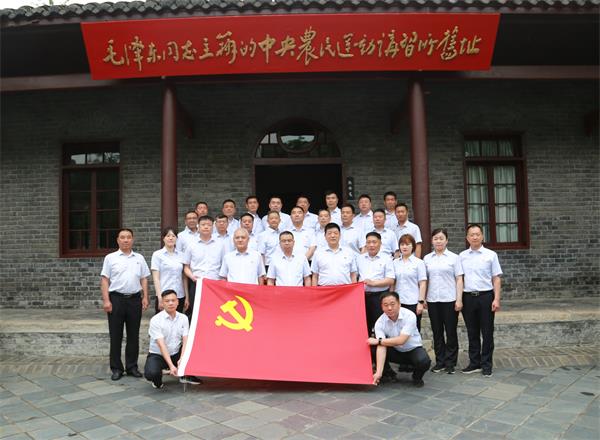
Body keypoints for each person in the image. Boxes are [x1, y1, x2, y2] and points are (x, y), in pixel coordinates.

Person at [100, 228, 150, 381]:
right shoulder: (110, 258)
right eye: (122, 237)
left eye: (129, 237)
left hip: (135, 299)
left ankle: (132, 367)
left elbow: (144, 278)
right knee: (116, 335)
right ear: (118, 240)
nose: (126, 240)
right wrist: (106, 300)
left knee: (133, 335)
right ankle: (116, 368)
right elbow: (105, 280)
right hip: (116, 299)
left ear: (132, 239)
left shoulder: (139, 258)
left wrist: (145, 297)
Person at [459, 224, 502, 377]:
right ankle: (474, 363)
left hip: (486, 297)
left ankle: (487, 364)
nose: (475, 237)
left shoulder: (491, 255)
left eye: (478, 234)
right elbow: (459, 279)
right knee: (472, 332)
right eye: (472, 234)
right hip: (468, 297)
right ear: (467, 238)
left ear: (482, 236)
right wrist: (459, 299)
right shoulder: (462, 256)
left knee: (487, 332)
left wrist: (496, 299)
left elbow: (496, 278)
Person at [367, 291, 431, 387]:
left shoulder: (409, 315)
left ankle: (417, 377)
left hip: (412, 350)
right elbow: (381, 346)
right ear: (382, 307)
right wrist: (379, 372)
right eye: (386, 305)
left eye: (392, 304)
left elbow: (401, 340)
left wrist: (378, 341)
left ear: (399, 304)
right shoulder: (380, 322)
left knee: (424, 361)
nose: (389, 308)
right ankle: (387, 373)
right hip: (395, 351)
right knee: (373, 348)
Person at [423, 228, 464, 374]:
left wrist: (459, 299)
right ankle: (440, 361)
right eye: (436, 238)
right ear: (432, 241)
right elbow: (425, 280)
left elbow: (459, 279)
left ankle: (450, 362)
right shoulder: (427, 259)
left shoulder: (454, 258)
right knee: (437, 331)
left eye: (441, 238)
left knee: (451, 331)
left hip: (450, 299)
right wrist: (424, 298)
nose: (438, 241)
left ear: (447, 240)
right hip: (433, 300)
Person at [144, 290, 201, 388]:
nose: (171, 303)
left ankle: (185, 375)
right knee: (151, 373)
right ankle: (159, 378)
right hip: (158, 355)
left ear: (178, 302)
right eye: (167, 301)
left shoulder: (183, 318)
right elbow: (161, 345)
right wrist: (171, 365)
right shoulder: (156, 320)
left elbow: (186, 340)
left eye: (173, 300)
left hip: (176, 352)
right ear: (162, 303)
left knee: (196, 352)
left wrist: (182, 359)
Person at [183, 216, 224, 322]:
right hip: (197, 283)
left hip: (215, 284)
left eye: (209, 225)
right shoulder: (191, 245)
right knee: (196, 313)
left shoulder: (220, 244)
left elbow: (224, 265)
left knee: (215, 313)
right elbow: (186, 267)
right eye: (203, 225)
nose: (206, 227)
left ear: (213, 226)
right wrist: (192, 277)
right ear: (198, 226)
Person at [356, 232, 395, 335]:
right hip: (362, 297)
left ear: (380, 243)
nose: (371, 245)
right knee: (364, 327)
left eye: (374, 242)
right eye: (368, 242)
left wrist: (373, 283)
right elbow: (354, 277)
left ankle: (382, 345)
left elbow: (390, 280)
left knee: (381, 326)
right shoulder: (359, 258)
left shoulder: (387, 258)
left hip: (380, 297)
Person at [392, 234, 427, 331]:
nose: (404, 247)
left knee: (413, 329)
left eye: (407, 244)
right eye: (402, 244)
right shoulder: (395, 263)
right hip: (398, 302)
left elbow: (423, 283)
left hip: (413, 302)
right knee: (397, 329)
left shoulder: (419, 263)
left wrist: (421, 302)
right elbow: (393, 283)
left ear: (413, 246)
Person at [151, 227, 189, 314]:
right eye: (168, 236)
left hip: (179, 296)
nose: (171, 238)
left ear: (176, 239)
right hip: (164, 295)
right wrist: (160, 298)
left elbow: (184, 278)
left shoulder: (182, 255)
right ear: (163, 238)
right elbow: (156, 278)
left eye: (173, 236)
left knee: (178, 320)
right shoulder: (157, 255)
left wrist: (187, 297)